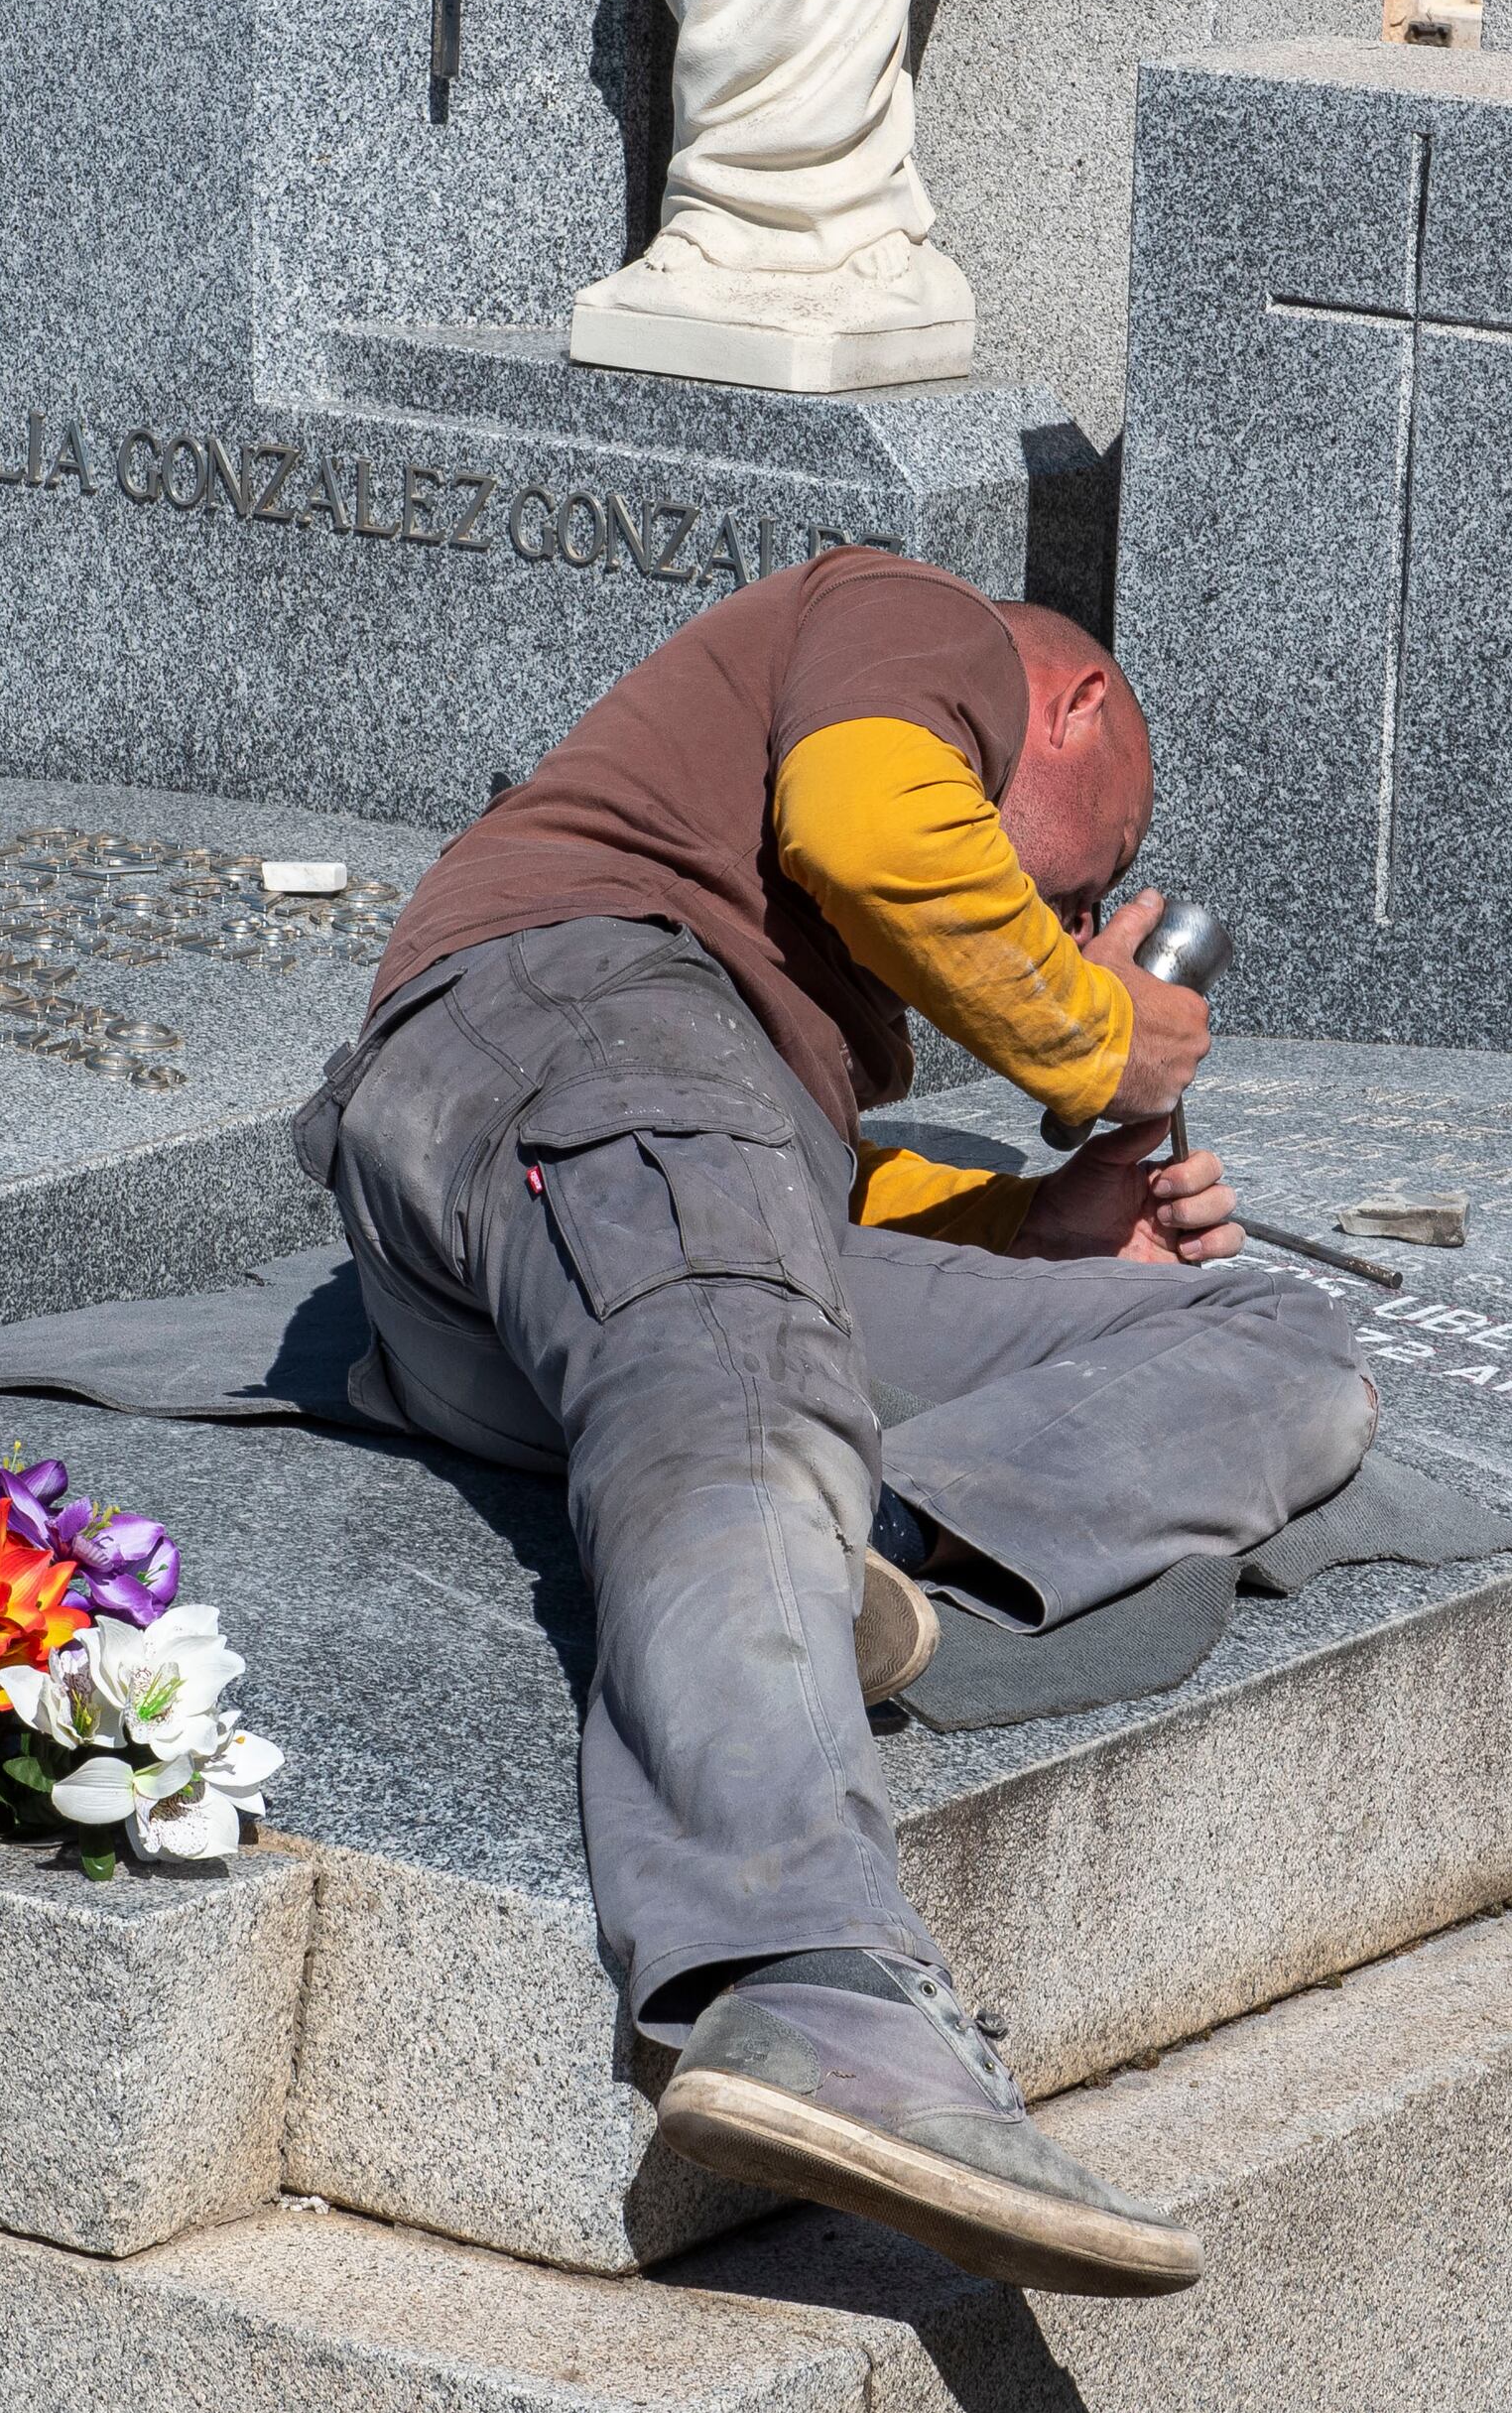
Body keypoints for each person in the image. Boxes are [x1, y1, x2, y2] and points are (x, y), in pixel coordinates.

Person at [297, 549, 1372, 2297]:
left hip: (636, 1221)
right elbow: (879, 830)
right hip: (576, 1046)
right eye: (1086, 866)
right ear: (1073, 710)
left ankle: (875, 1540)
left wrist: (1037, 1227)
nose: (1074, 901)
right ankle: (803, 1982)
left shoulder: (766, 1019)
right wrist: (1107, 1037)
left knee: (1284, 1340)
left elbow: (804, 1212)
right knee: (743, 1393)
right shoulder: (915, 620)